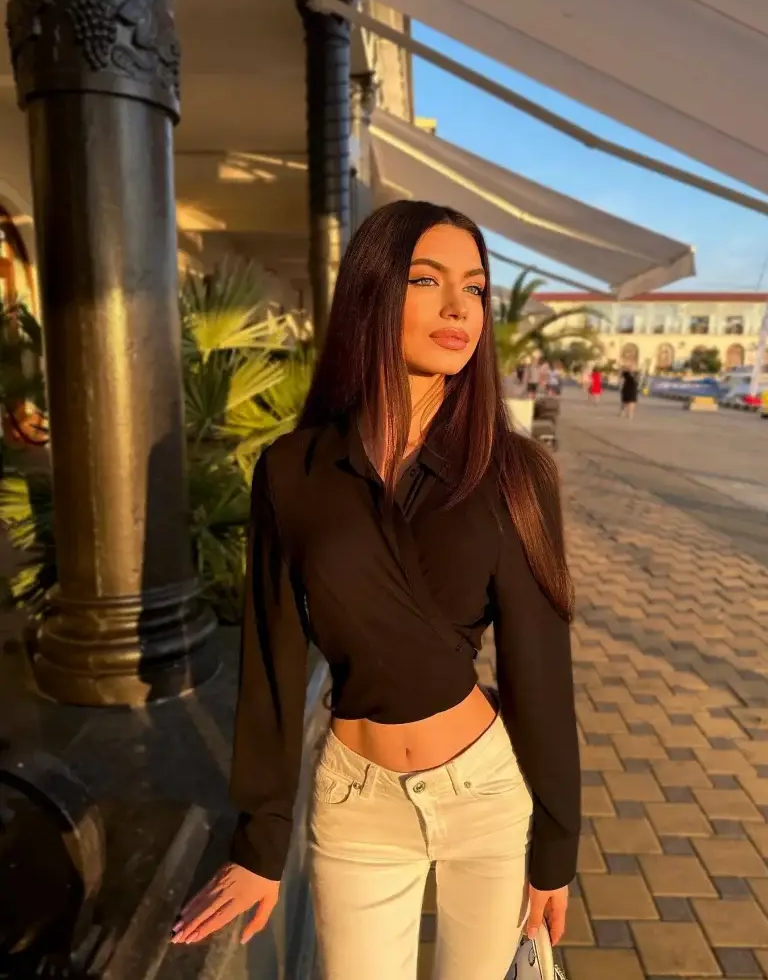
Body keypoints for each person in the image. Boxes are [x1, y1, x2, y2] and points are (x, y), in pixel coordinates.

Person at [171, 201, 580, 980]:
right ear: (372, 291)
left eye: (475, 288)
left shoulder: (512, 473)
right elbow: (270, 660)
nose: (458, 307)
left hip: (485, 796)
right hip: (355, 805)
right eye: (426, 281)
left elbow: (539, 675)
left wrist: (556, 847)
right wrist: (259, 842)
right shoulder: (293, 470)